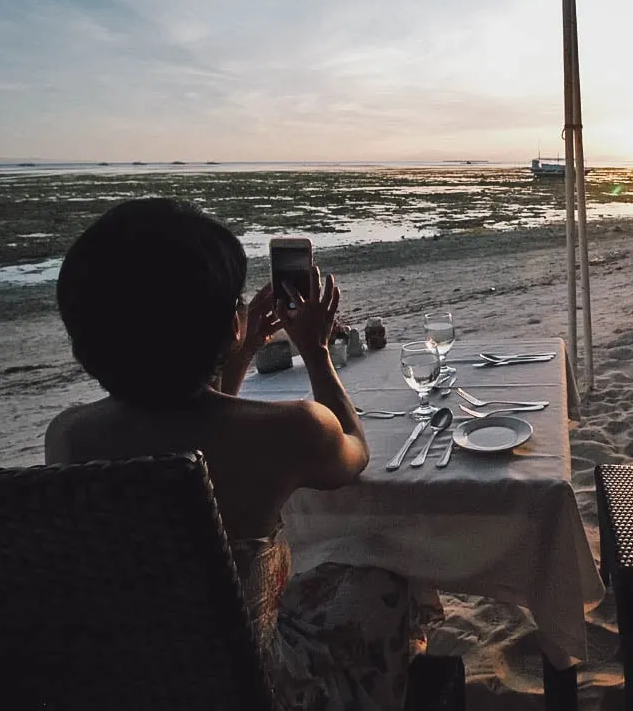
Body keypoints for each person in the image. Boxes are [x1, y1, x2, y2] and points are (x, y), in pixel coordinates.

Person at [46, 198, 432, 710]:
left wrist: (240, 354)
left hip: (145, 681)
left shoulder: (70, 437)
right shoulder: (292, 429)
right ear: (230, 321)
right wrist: (315, 351)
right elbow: (354, 453)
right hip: (260, 685)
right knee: (389, 583)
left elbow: (187, 429)